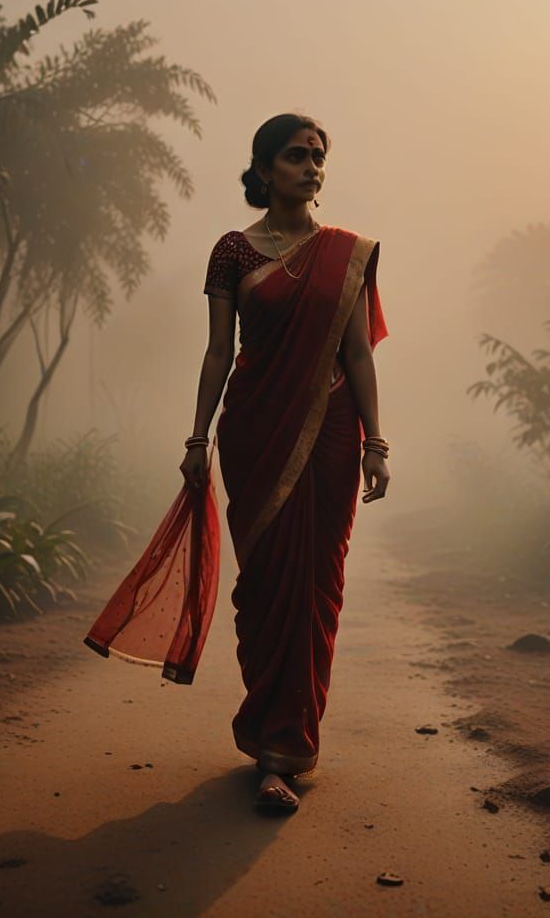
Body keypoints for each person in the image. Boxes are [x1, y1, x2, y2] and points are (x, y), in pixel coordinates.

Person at [180, 112, 390, 812]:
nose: (311, 166)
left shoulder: (347, 253)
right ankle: (269, 732)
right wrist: (197, 439)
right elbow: (219, 351)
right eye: (296, 156)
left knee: (314, 589)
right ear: (264, 169)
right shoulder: (233, 253)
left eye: (318, 156)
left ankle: (284, 750)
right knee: (268, 588)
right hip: (254, 432)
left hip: (330, 432)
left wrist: (376, 443)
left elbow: (356, 353)